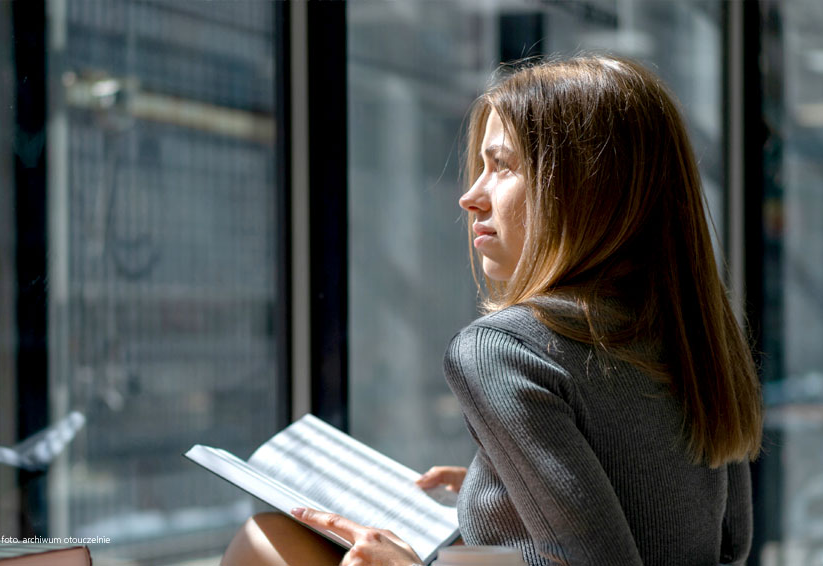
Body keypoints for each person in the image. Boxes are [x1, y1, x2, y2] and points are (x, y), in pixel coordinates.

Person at [222, 54, 763, 566]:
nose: (471, 197)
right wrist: (501, 492)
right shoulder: (699, 340)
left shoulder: (503, 348)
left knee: (265, 536)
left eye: (501, 167)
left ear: (581, 192)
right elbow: (727, 545)